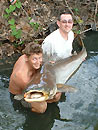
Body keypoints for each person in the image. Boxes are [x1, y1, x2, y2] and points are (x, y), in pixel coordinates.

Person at [9, 43, 61, 113]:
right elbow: (35, 90)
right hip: (21, 95)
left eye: (40, 58)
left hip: (31, 85)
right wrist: (52, 96)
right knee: (42, 107)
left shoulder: (26, 56)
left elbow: (40, 62)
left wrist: (47, 64)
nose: (38, 62)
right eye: (34, 59)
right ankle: (31, 112)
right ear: (26, 58)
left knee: (57, 92)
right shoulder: (22, 77)